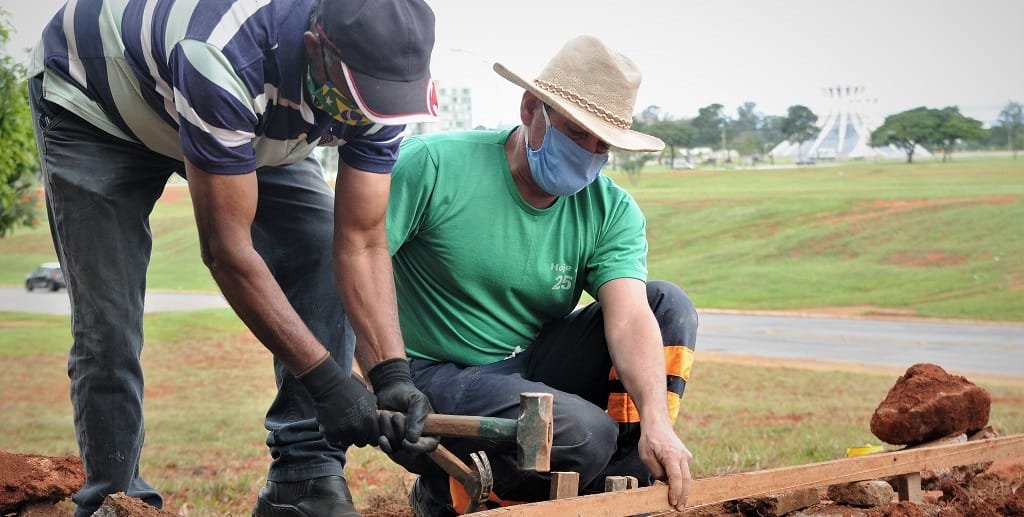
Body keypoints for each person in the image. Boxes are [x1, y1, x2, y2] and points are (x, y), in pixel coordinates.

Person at [27, 0, 439, 515]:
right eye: (358, 99)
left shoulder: (388, 89)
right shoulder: (225, 49)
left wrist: (392, 376)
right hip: (100, 104)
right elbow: (227, 250)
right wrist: (326, 383)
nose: (366, 116)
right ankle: (115, 499)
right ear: (315, 49)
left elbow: (361, 240)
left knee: (315, 247)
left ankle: (303, 479)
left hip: (245, 121)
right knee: (107, 323)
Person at [385, 35, 699, 515]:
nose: (588, 152)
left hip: (530, 362)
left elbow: (631, 317)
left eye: (603, 144)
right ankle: (454, 491)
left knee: (667, 305)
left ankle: (621, 488)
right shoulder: (433, 166)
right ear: (531, 108)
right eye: (576, 132)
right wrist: (370, 375)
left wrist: (657, 421)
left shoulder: (610, 209)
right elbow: (351, 262)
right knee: (583, 433)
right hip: (435, 374)